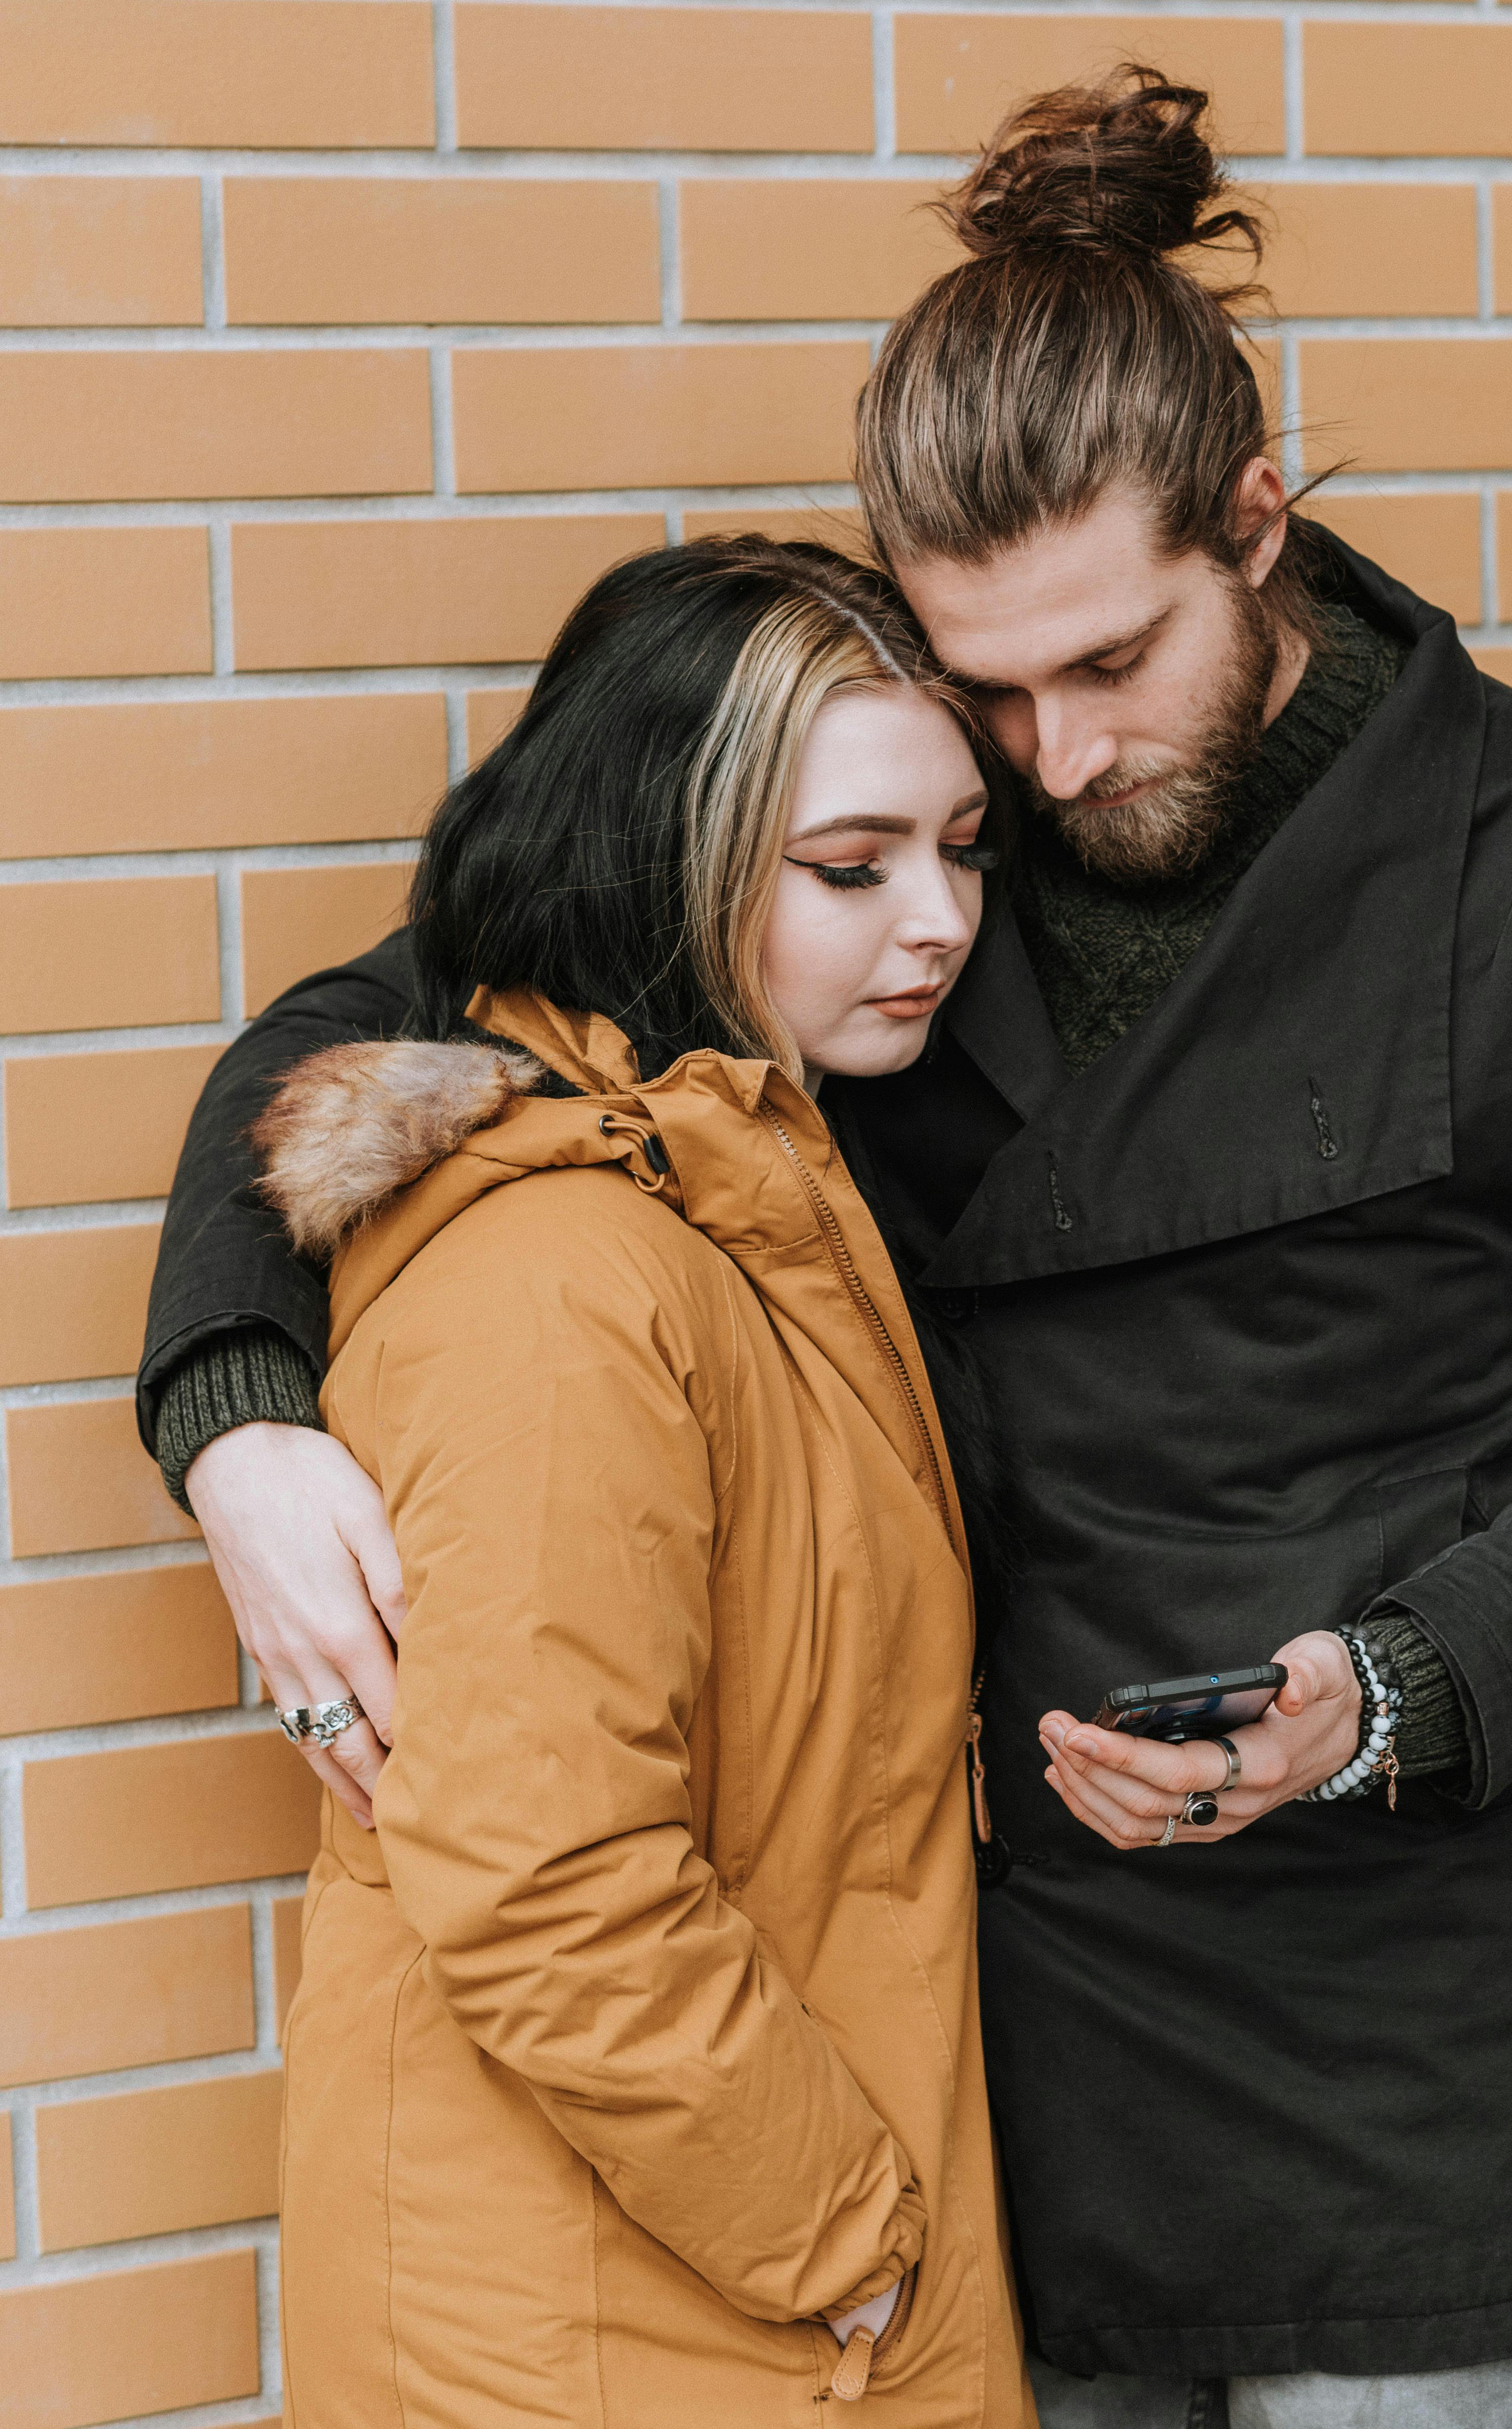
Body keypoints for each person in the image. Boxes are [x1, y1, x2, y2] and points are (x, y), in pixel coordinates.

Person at [143, 71, 1512, 2429]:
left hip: (1392, 2017)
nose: (1043, 765)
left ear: (1254, 522)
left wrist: (1396, 1682)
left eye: (1106, 665)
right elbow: (409, 1010)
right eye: (985, 687)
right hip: (988, 2020)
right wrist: (232, 1408)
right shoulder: (902, 823)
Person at [234, 536, 1034, 2425]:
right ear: (663, 856)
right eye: (852, 868)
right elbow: (544, 1873)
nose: (940, 920)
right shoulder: (563, 1282)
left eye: (964, 844)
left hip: (715, 2290)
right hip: (631, 2322)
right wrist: (849, 2232)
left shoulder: (739, 1191)